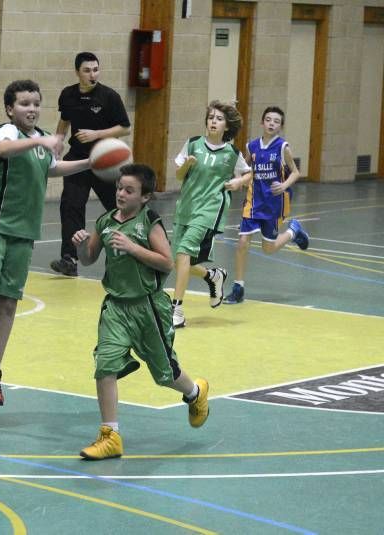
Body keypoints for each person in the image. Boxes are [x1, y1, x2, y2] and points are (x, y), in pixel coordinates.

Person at [0, 79, 90, 406]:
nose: (32, 109)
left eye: (36, 103)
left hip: (25, 232)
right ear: (11, 109)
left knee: (8, 302)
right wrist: (44, 142)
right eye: (24, 103)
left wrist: (89, 163)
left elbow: (52, 169)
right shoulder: (7, 133)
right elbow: (3, 150)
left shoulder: (41, 138)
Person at [71, 164, 209, 460]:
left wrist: (133, 247)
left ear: (144, 197)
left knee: (163, 374)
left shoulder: (149, 222)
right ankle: (110, 435)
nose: (121, 193)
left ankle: (195, 392)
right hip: (116, 307)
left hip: (148, 307)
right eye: (119, 188)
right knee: (105, 365)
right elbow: (89, 259)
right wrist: (82, 246)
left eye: (129, 190)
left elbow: (167, 262)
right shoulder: (106, 221)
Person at [49, 51, 132, 277]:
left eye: (95, 69)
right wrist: (57, 142)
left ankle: (134, 250)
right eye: (87, 70)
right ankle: (70, 258)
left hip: (104, 163)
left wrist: (98, 134)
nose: (92, 74)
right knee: (71, 206)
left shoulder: (109, 96)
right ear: (78, 72)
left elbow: (125, 127)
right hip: (78, 160)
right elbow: (64, 121)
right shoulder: (67, 95)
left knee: (118, 208)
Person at [171, 100, 251, 328]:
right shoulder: (193, 144)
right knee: (178, 261)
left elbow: (249, 174)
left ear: (227, 126)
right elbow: (178, 175)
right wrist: (187, 164)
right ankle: (212, 276)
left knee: (185, 252)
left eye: (218, 118)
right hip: (186, 207)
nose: (213, 121)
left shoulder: (231, 153)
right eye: (211, 117)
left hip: (209, 211)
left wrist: (239, 181)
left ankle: (176, 309)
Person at [224, 106, 310, 304]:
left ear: (280, 127)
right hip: (253, 202)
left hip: (273, 203)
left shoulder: (282, 147)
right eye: (268, 120)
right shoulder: (251, 147)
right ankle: (238, 288)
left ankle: (293, 232)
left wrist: (284, 185)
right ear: (262, 123)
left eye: (276, 121)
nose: (272, 123)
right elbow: (245, 170)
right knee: (242, 243)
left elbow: (296, 172)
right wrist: (238, 179)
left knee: (268, 248)